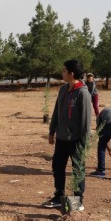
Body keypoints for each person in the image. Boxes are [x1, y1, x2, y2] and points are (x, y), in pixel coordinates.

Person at [43, 60, 92, 210]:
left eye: (64, 70)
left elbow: (86, 120)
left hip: (76, 140)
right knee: (57, 166)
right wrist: (52, 131)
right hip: (61, 139)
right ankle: (59, 196)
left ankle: (78, 200)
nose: (62, 73)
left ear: (71, 73)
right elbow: (56, 111)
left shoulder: (82, 93)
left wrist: (84, 143)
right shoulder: (63, 89)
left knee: (78, 170)